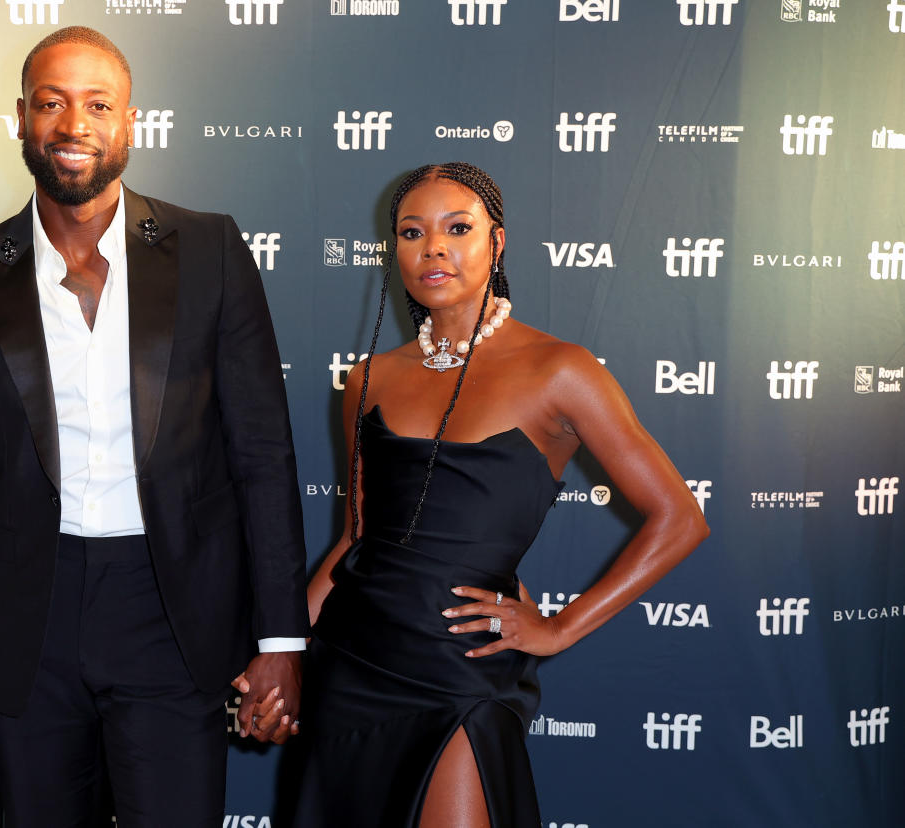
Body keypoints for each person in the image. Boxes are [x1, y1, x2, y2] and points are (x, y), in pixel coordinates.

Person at [0, 26, 307, 827]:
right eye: (51, 104)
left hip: (174, 610)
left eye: (97, 104)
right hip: (26, 623)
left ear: (131, 122)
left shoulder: (211, 251)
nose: (73, 125)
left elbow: (262, 456)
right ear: (20, 119)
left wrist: (282, 642)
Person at [292, 162, 709, 827]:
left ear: (498, 242)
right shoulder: (369, 377)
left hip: (465, 672)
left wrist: (561, 627)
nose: (432, 248)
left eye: (458, 228)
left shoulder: (561, 370)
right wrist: (283, 657)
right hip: (354, 664)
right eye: (411, 232)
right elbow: (355, 540)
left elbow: (679, 519)